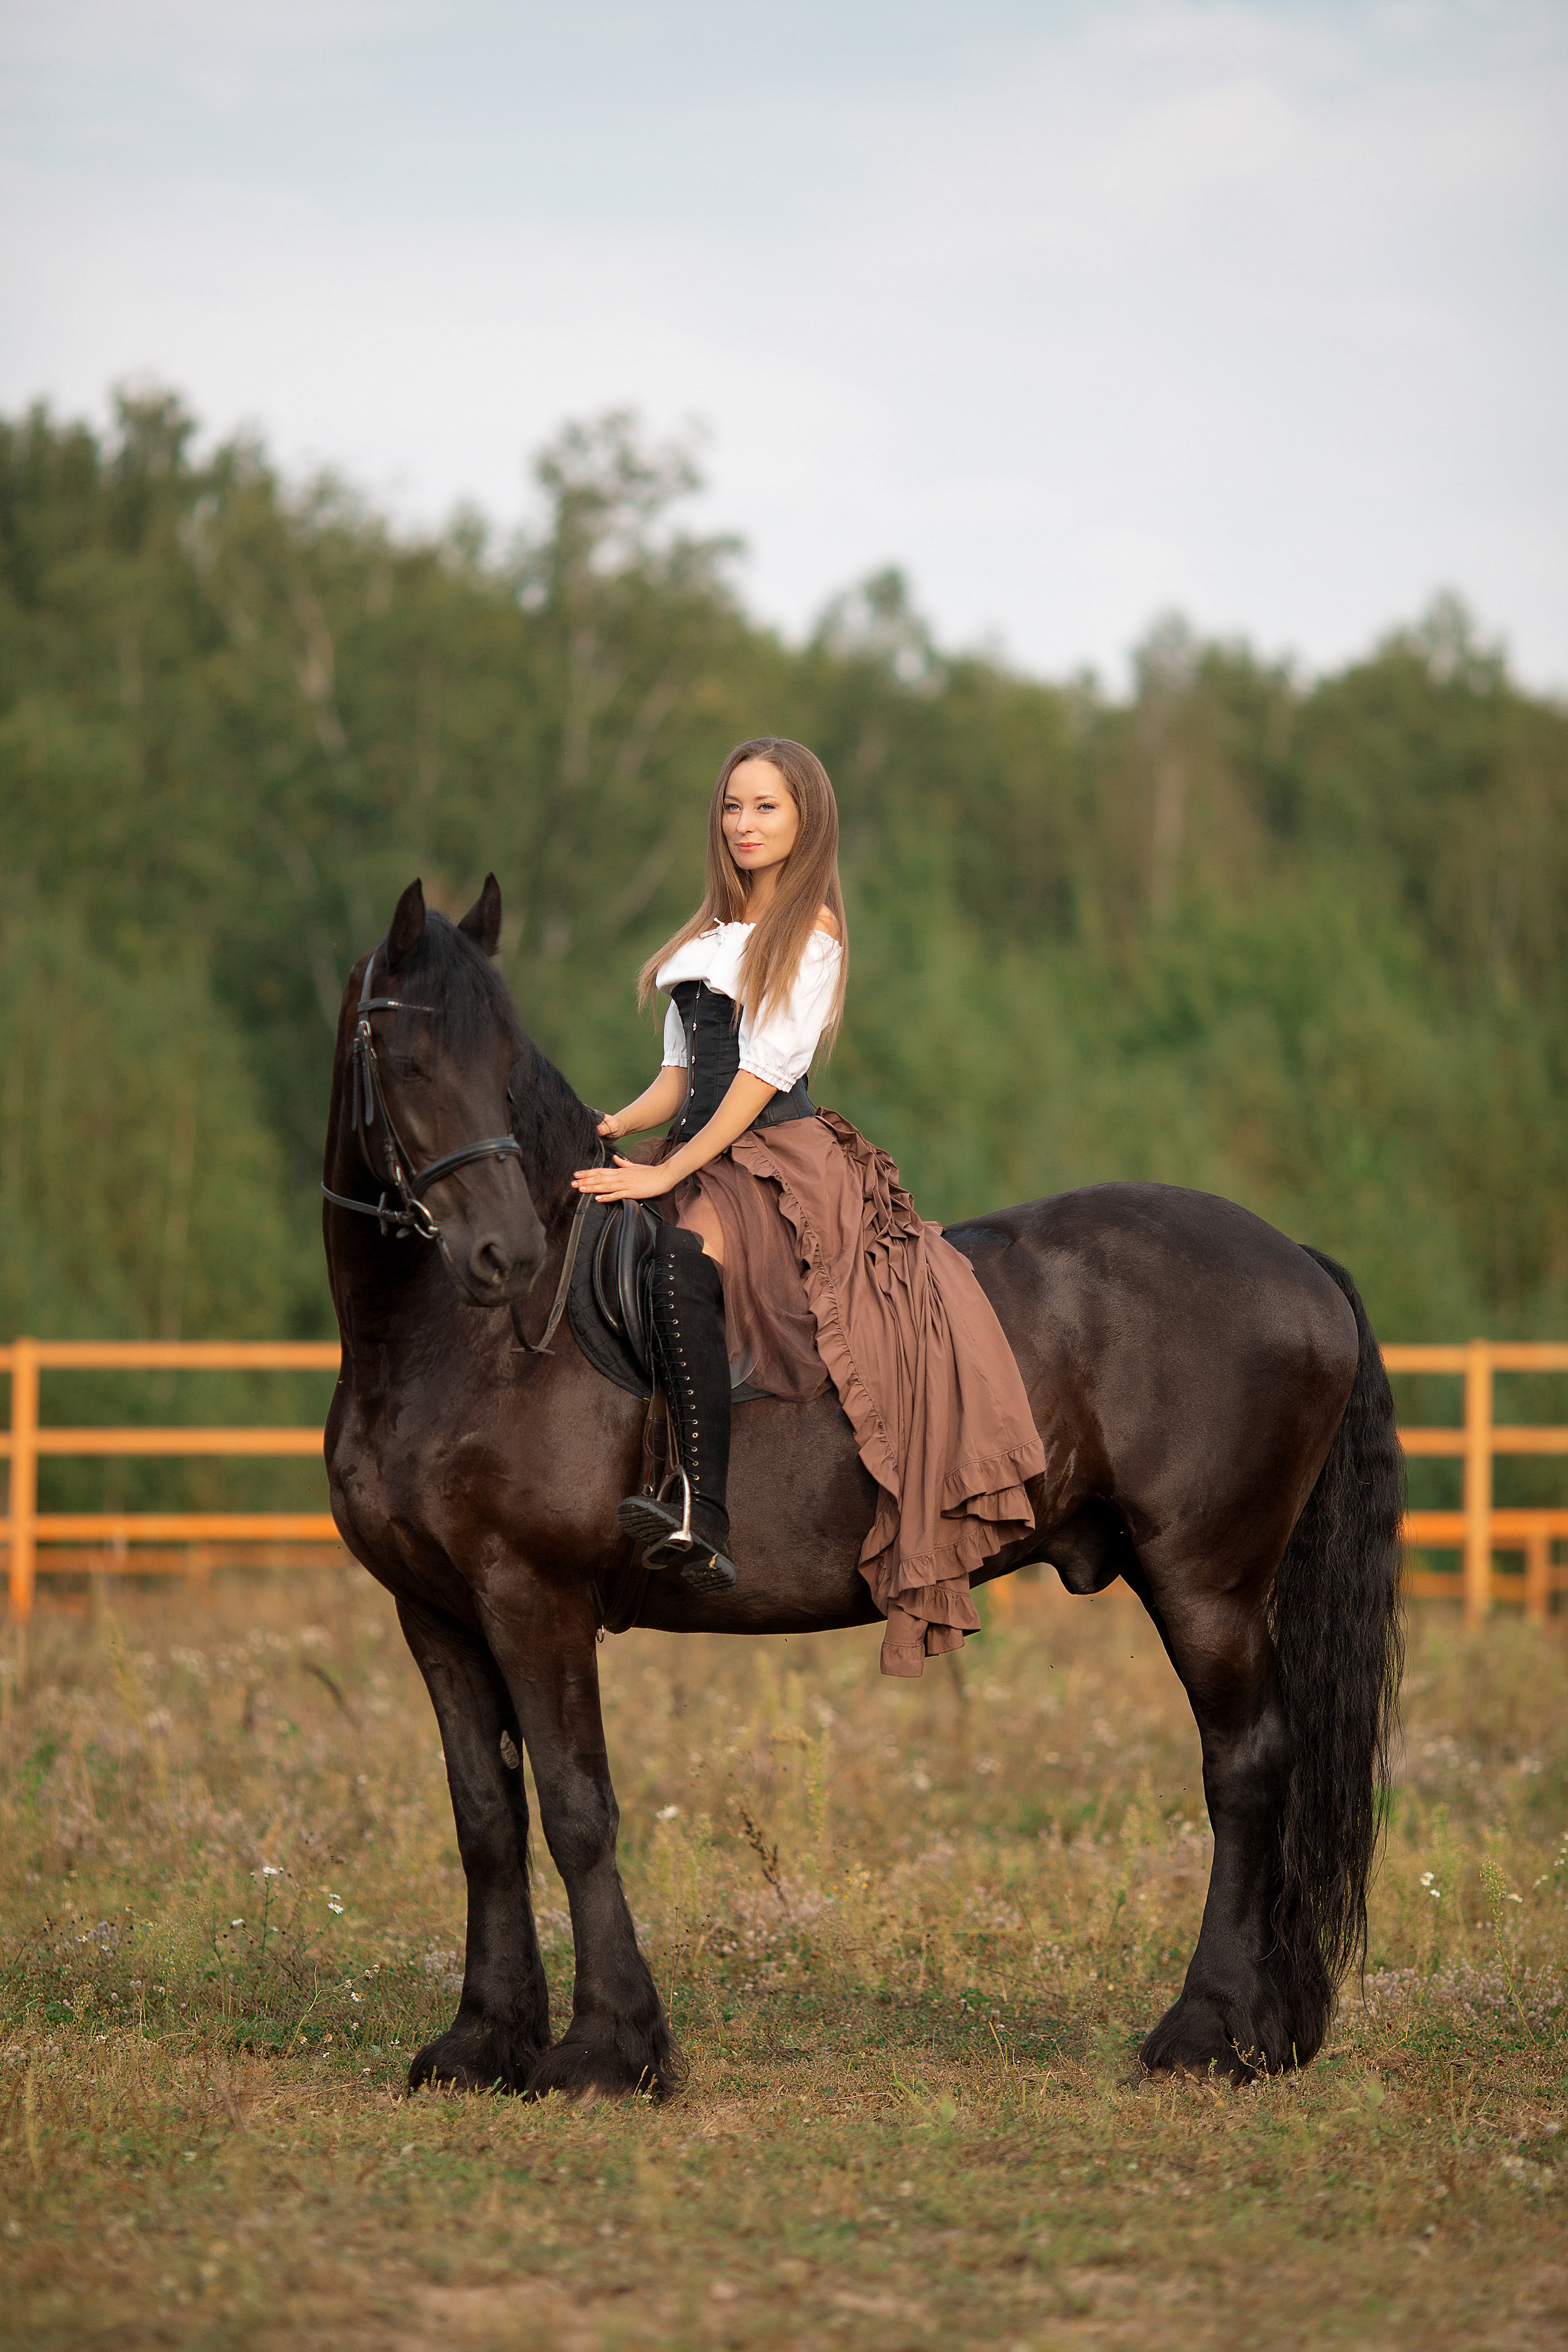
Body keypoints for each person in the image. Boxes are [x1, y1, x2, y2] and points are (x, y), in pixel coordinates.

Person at [572, 737, 1046, 1676]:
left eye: (767, 809)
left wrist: (668, 1176)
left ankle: (703, 1509)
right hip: (702, 1143)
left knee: (679, 1256)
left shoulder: (811, 931)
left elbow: (753, 1081)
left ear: (806, 822)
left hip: (771, 1155)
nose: (745, 825)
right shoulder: (705, 942)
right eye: (734, 808)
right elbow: (677, 1080)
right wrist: (608, 1126)